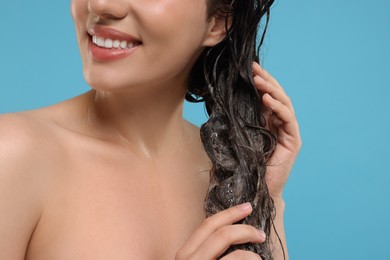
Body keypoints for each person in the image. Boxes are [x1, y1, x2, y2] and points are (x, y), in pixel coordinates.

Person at [0, 0, 301, 259]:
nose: (101, 5)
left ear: (217, 22)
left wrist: (266, 198)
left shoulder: (228, 172)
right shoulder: (13, 154)